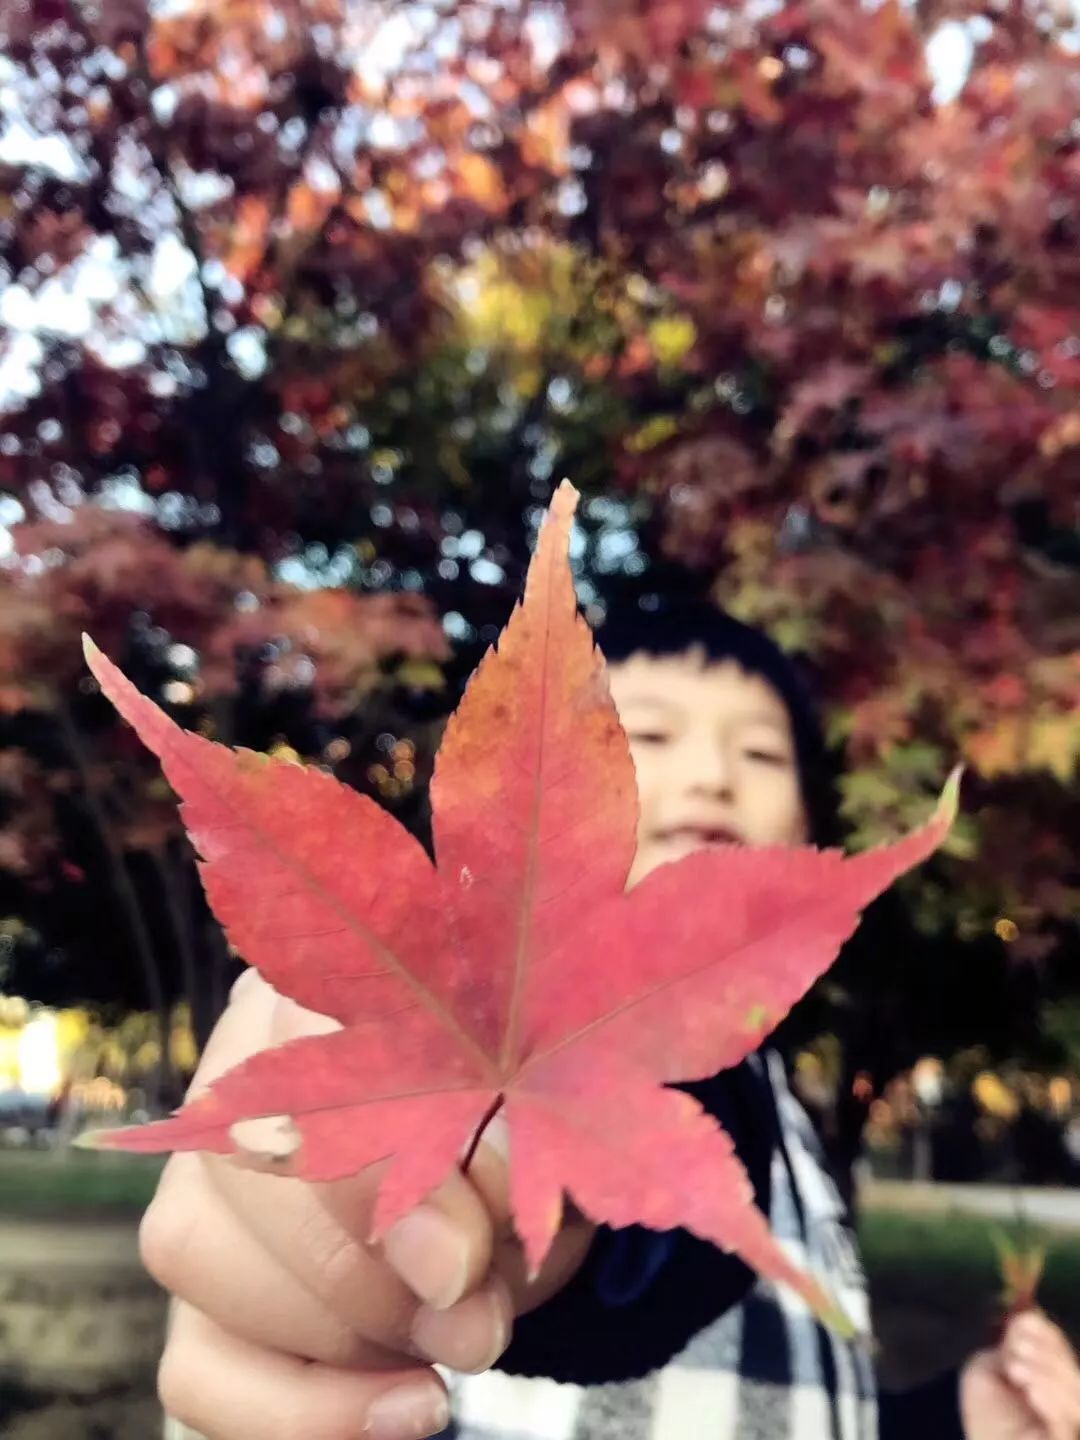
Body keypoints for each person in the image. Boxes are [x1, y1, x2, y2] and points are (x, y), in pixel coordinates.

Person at [147, 602, 1080, 1440]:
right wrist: (528, 1256)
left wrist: (954, 1417)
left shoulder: (780, 1106)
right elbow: (629, 1259)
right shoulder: (524, 1030)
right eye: (651, 737)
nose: (712, 777)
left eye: (759, 753)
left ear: (806, 823)